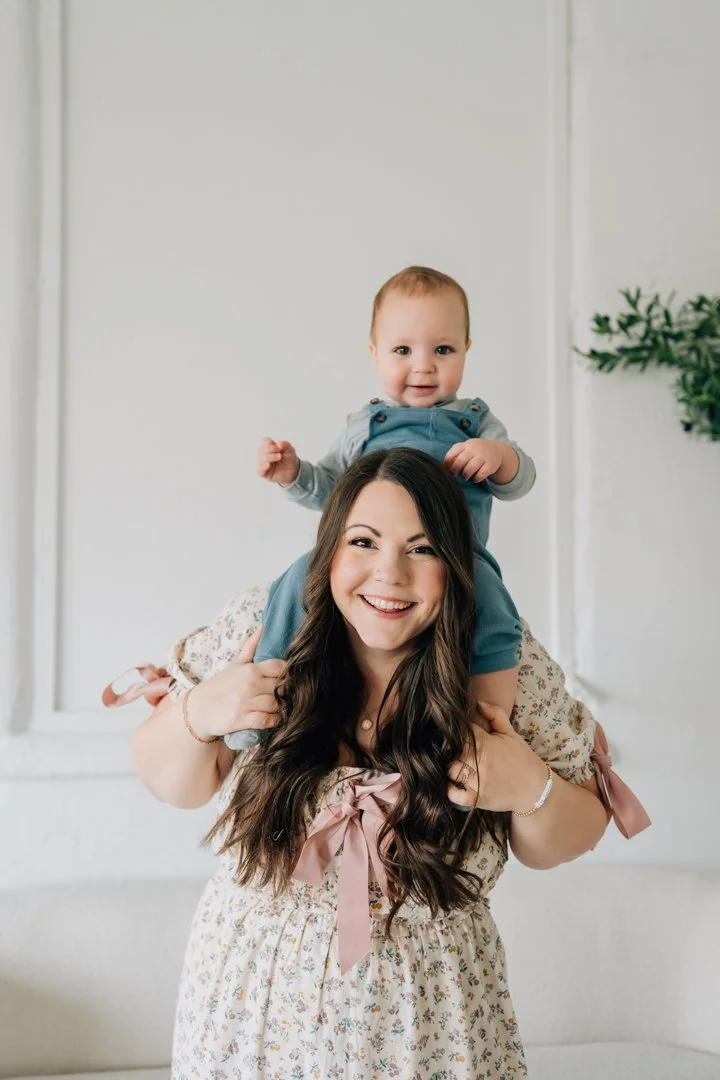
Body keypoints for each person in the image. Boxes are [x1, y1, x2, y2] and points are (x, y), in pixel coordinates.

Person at [127, 447, 650, 1079]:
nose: (389, 574)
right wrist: (199, 714)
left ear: (458, 564)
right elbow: (171, 782)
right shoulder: (265, 627)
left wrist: (529, 787)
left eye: (422, 548)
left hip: (432, 1023)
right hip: (251, 1009)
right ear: (329, 551)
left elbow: (566, 837)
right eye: (364, 542)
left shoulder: (501, 667)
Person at [253, 266, 535, 728]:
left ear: (466, 350)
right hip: (366, 554)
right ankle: (265, 683)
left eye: (443, 349)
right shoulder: (365, 425)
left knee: (489, 600)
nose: (423, 366)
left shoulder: (476, 423)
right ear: (374, 353)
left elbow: (521, 480)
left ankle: (489, 717)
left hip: (453, 555)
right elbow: (330, 491)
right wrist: (293, 474)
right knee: (299, 576)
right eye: (403, 350)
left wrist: (500, 457)